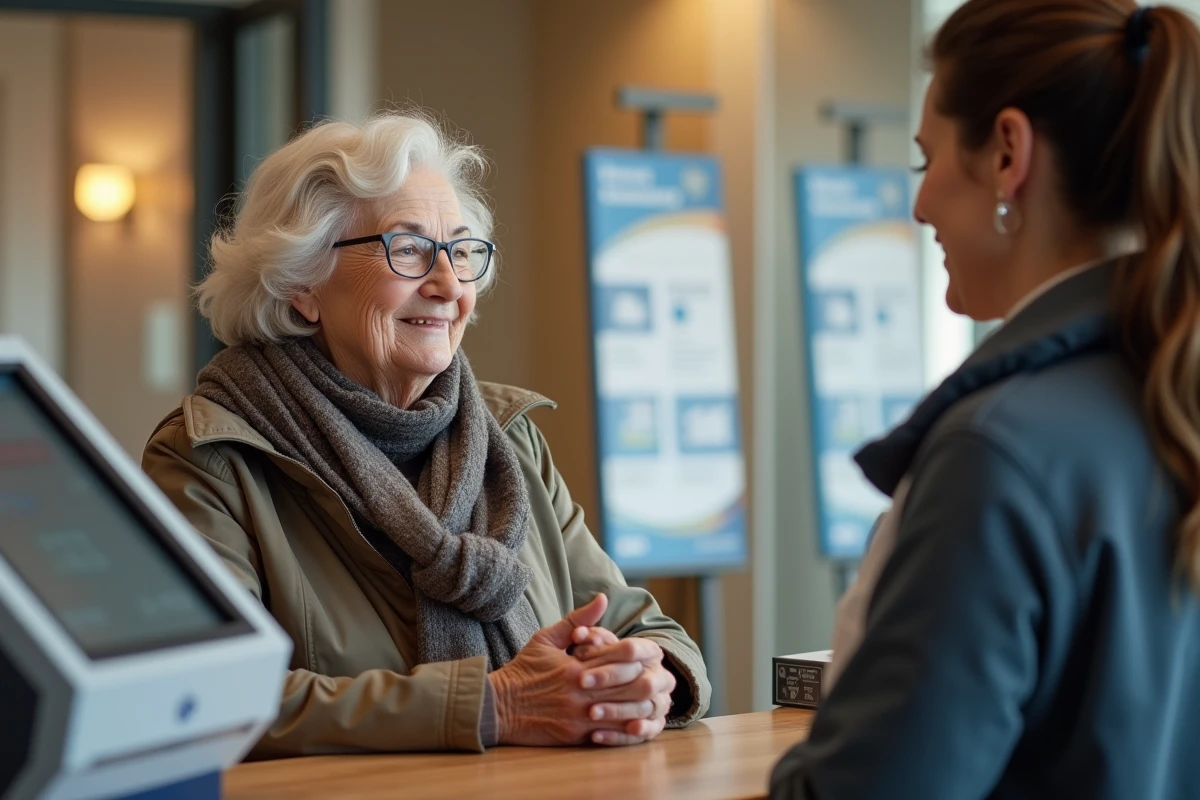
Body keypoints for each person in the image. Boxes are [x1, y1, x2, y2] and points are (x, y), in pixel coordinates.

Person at [142, 112, 709, 759]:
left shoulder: (507, 440)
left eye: (461, 252)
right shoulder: (208, 458)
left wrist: (642, 673)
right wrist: (497, 705)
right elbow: (205, 697)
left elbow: (643, 623)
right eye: (408, 249)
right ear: (301, 284)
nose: (447, 286)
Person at [772, 1, 1200, 797]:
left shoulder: (996, 454)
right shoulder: (1166, 396)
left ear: (1008, 153)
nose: (920, 204)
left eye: (924, 160)